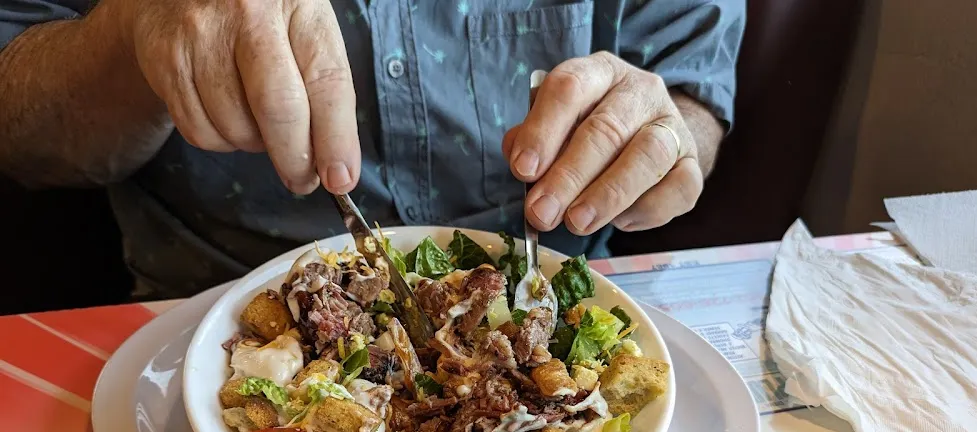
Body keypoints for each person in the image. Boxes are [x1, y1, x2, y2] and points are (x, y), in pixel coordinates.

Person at [0, 0, 744, 298]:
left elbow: (691, 87)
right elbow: (18, 133)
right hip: (203, 320)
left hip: (569, 298)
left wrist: (657, 136)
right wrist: (132, 28)